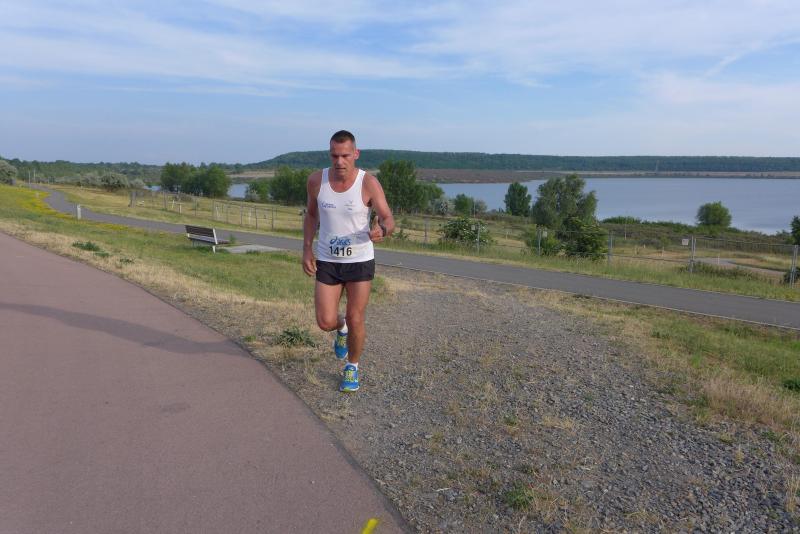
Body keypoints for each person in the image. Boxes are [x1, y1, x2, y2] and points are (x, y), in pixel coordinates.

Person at [302, 130, 395, 392]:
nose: (339, 161)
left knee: (356, 317)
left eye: (345, 155)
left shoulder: (368, 183)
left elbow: (388, 218)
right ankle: (340, 327)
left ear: (356, 154)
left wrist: (382, 230)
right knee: (325, 322)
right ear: (329, 154)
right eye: (334, 155)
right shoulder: (316, 181)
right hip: (328, 260)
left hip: (359, 260)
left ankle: (352, 367)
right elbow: (311, 215)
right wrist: (307, 248)